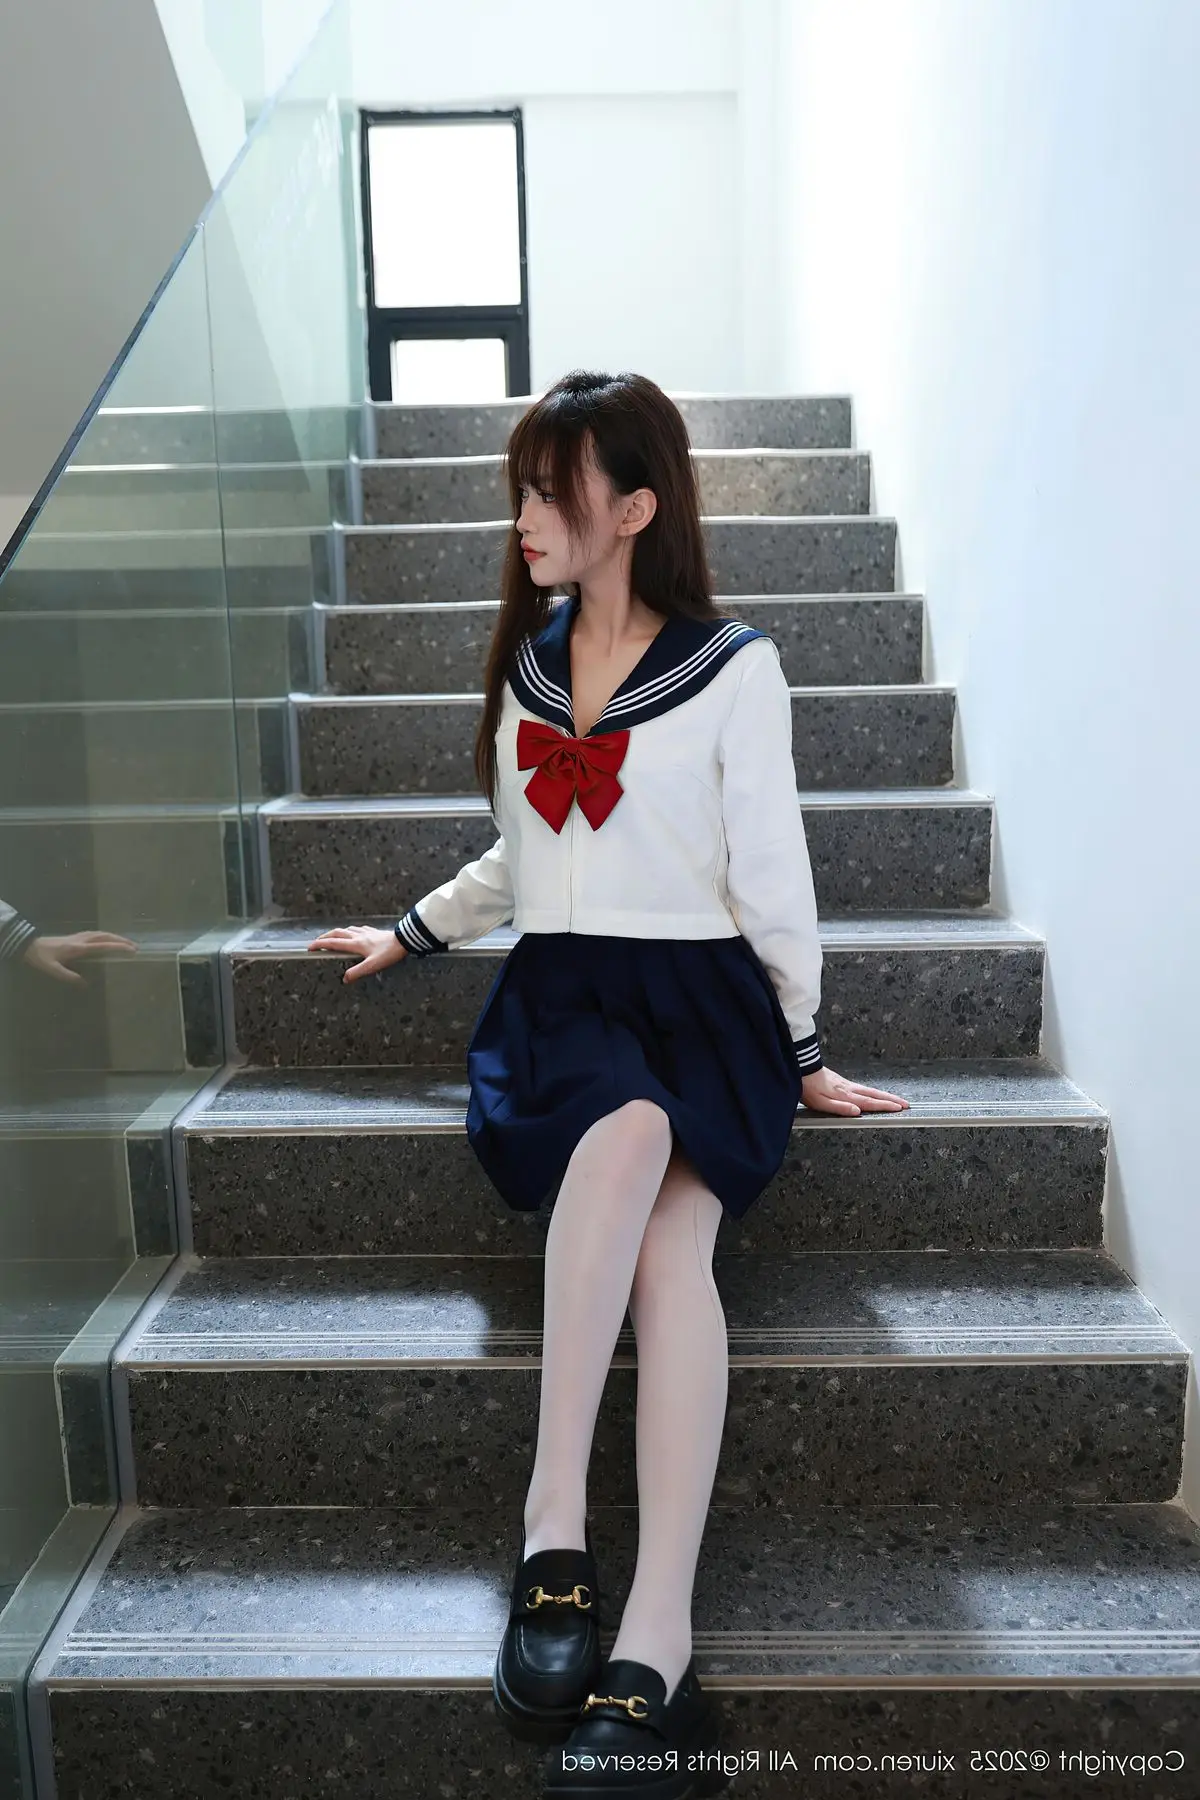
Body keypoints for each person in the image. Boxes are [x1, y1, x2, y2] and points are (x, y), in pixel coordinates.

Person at [307, 369, 909, 1798]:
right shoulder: (526, 667)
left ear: (634, 509)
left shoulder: (734, 667)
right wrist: (412, 931)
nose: (524, 516)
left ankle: (657, 1634)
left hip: (705, 1004)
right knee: (628, 1127)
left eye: (552, 490)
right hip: (565, 1005)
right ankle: (555, 1524)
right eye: (522, 489)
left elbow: (773, 871)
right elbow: (519, 855)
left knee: (673, 1251)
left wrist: (801, 1048)